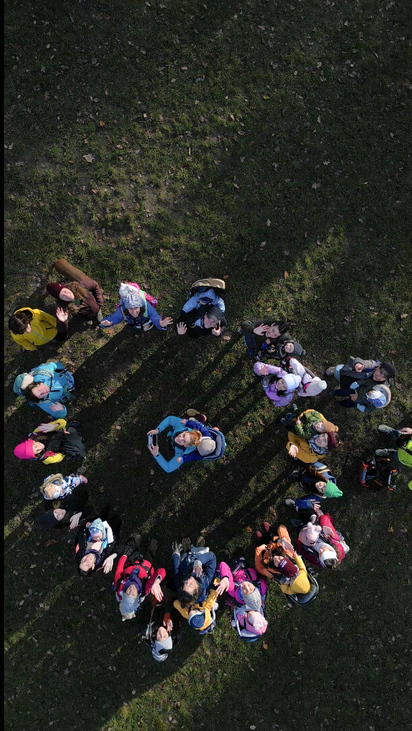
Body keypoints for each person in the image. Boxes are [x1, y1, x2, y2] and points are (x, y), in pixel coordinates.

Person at [112, 534, 166, 621]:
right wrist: (156, 582)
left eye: (127, 593)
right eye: (133, 594)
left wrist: (124, 556)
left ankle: (135, 544)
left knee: (133, 552)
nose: (131, 590)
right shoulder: (145, 589)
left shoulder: (118, 585)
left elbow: (119, 568)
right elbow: (162, 571)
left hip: (131, 563)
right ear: (137, 596)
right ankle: (151, 550)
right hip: (146, 567)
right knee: (149, 556)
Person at [171, 537, 219, 632]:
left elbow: (176, 572)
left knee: (184, 563)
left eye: (186, 583)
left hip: (187, 561)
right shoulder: (207, 580)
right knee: (201, 552)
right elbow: (212, 557)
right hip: (200, 559)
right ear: (197, 589)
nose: (188, 581)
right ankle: (198, 547)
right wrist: (199, 562)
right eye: (190, 585)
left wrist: (175, 556)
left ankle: (187, 550)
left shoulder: (182, 588)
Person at [147, 415, 224, 473]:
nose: (179, 438)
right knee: (195, 423)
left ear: (187, 446)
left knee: (196, 423)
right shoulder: (182, 425)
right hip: (194, 428)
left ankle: (198, 419)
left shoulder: (181, 453)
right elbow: (170, 419)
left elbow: (168, 468)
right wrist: (158, 430)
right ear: (186, 431)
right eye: (183, 435)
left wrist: (156, 454)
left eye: (184, 441)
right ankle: (197, 420)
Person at [216, 557, 268, 638]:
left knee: (219, 572)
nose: (247, 586)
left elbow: (223, 564)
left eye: (249, 615)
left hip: (240, 570)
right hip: (248, 570)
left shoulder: (233, 590)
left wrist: (225, 578)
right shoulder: (262, 588)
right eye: (252, 589)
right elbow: (263, 577)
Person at [254, 524, 310, 596]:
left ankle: (261, 540)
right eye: (281, 558)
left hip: (264, 550)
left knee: (261, 539)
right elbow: (282, 527)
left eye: (277, 563)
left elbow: (259, 568)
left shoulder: (270, 572)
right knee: (272, 535)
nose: (277, 558)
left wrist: (259, 550)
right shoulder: (288, 552)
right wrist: (284, 539)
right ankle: (269, 532)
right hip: (274, 541)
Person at [45, 257, 104, 322]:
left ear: (67, 288)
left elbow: (95, 285)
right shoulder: (66, 307)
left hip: (96, 306)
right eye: (63, 296)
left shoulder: (82, 286)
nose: (67, 295)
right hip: (85, 314)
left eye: (65, 291)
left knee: (95, 309)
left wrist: (99, 302)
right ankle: (89, 318)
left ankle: (98, 312)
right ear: (61, 299)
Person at [100, 282, 173, 333]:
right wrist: (105, 323)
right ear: (126, 307)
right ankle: (138, 326)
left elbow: (155, 317)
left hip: (145, 320)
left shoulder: (147, 307)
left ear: (140, 306)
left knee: (146, 327)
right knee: (139, 326)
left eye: (135, 308)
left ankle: (146, 325)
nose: (134, 312)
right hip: (134, 322)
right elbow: (113, 319)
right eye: (130, 309)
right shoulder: (122, 310)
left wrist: (161, 324)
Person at [327, 358, 395, 412]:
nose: (379, 377)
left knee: (348, 401)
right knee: (338, 370)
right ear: (378, 367)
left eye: (384, 377)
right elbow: (361, 361)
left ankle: (340, 399)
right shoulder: (373, 365)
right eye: (380, 372)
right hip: (352, 379)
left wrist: (357, 400)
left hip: (358, 396)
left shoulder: (382, 391)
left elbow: (374, 403)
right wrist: (358, 364)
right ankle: (335, 371)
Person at [74, 505, 123, 577]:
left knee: (102, 516)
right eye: (88, 564)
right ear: (93, 566)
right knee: (115, 522)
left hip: (97, 525)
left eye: (83, 561)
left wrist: (87, 527)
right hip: (112, 531)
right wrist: (112, 556)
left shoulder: (81, 550)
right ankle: (118, 517)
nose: (87, 559)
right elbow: (121, 549)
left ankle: (105, 512)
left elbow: (81, 534)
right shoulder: (103, 560)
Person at [13, 419, 86, 465]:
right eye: (37, 451)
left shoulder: (38, 432)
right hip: (63, 448)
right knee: (79, 450)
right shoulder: (46, 458)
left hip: (62, 434)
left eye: (35, 446)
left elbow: (62, 422)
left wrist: (55, 426)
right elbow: (60, 457)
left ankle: (75, 433)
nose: (39, 448)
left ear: (32, 441)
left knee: (71, 431)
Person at [239, 318, 304, 360]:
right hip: (249, 337)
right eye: (273, 330)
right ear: (272, 324)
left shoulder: (282, 339)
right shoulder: (265, 322)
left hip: (256, 346)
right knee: (246, 329)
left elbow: (289, 348)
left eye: (275, 335)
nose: (271, 334)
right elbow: (244, 324)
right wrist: (254, 330)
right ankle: (241, 332)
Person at [377, 425, 412, 489]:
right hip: (407, 442)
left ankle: (387, 451)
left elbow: (410, 486)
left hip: (403, 458)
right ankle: (391, 431)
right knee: (400, 435)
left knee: (395, 455)